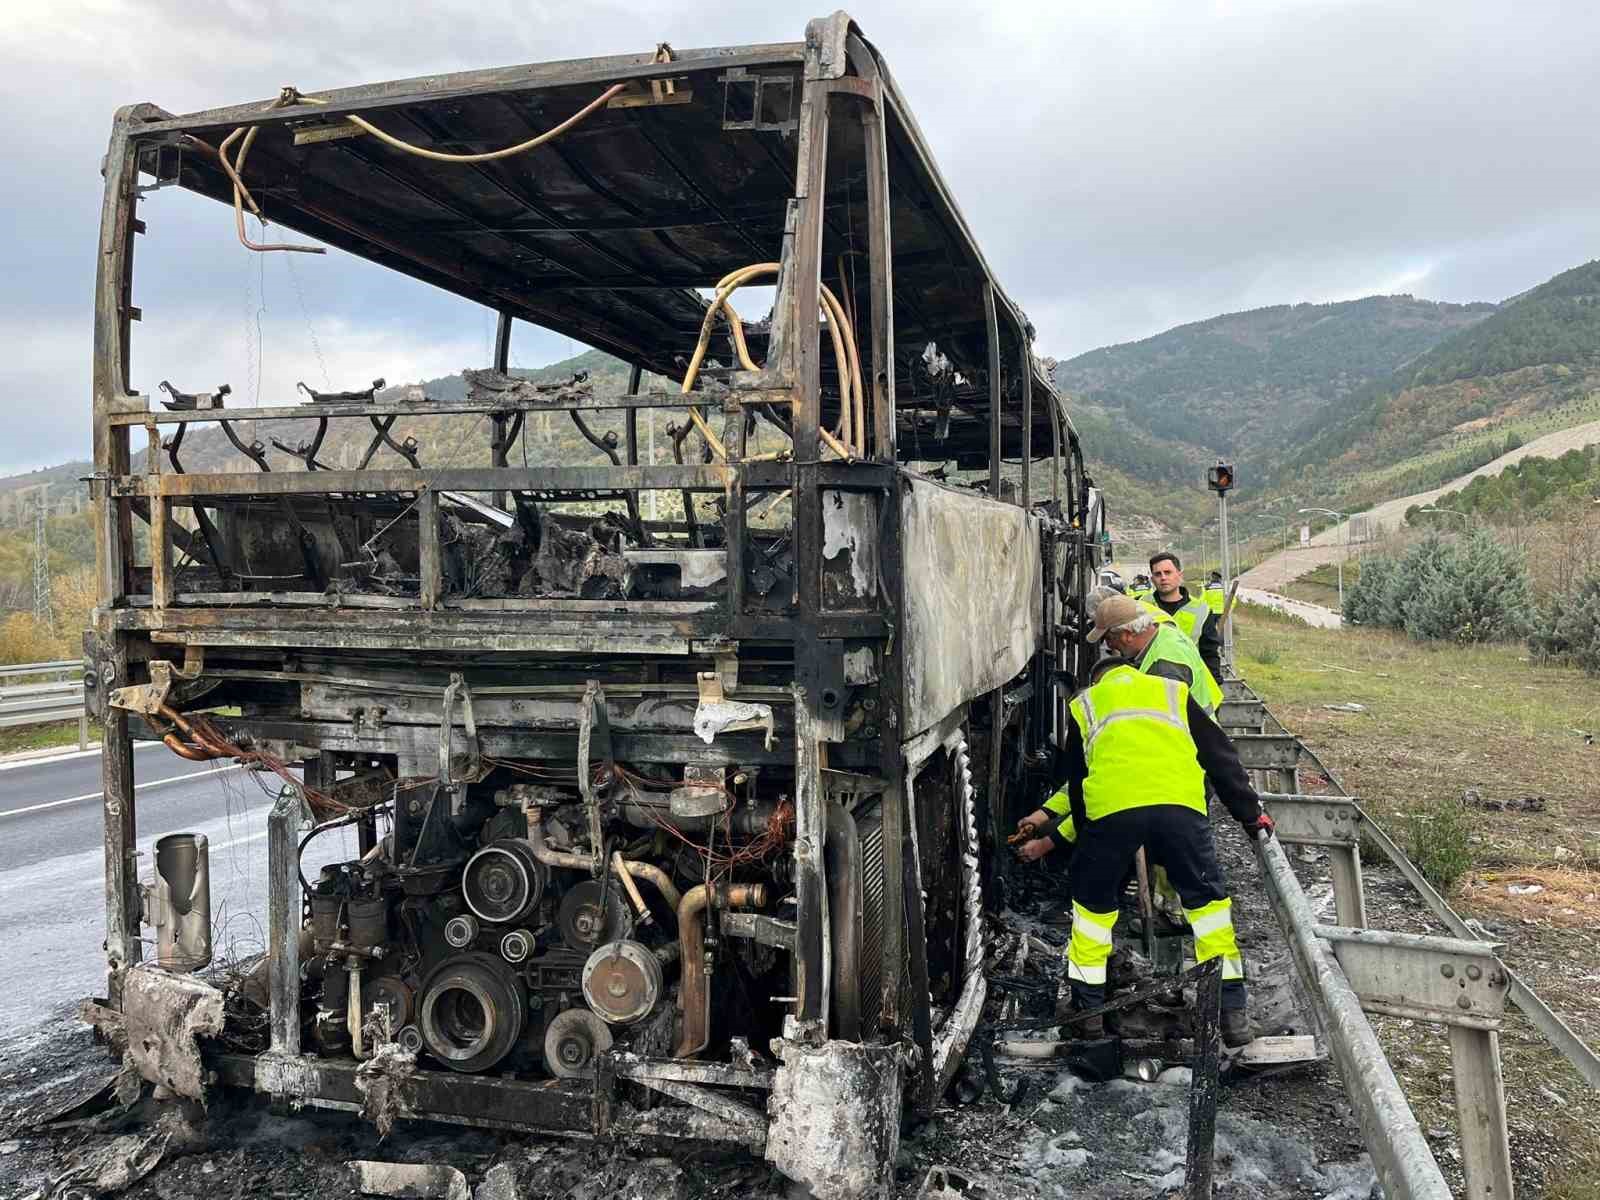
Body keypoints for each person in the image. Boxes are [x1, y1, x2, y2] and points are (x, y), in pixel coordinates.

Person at [1037, 603, 1274, 1048]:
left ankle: (1089, 1017)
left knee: (1093, 912)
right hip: (1180, 808)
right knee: (1208, 911)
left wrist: (1087, 844)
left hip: (1112, 813)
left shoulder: (1085, 704)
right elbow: (1221, 759)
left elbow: (1075, 781)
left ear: (1099, 677)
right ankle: (1232, 1015)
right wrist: (1250, 815)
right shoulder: (1170, 692)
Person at [1143, 552, 1222, 681]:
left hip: (1189, 686)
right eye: (1158, 574)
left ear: (1179, 575)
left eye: (1168, 572)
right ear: (1152, 579)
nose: (1163, 578)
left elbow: (1209, 653)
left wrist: (1214, 683)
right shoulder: (1141, 606)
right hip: (1151, 683)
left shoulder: (1201, 611)